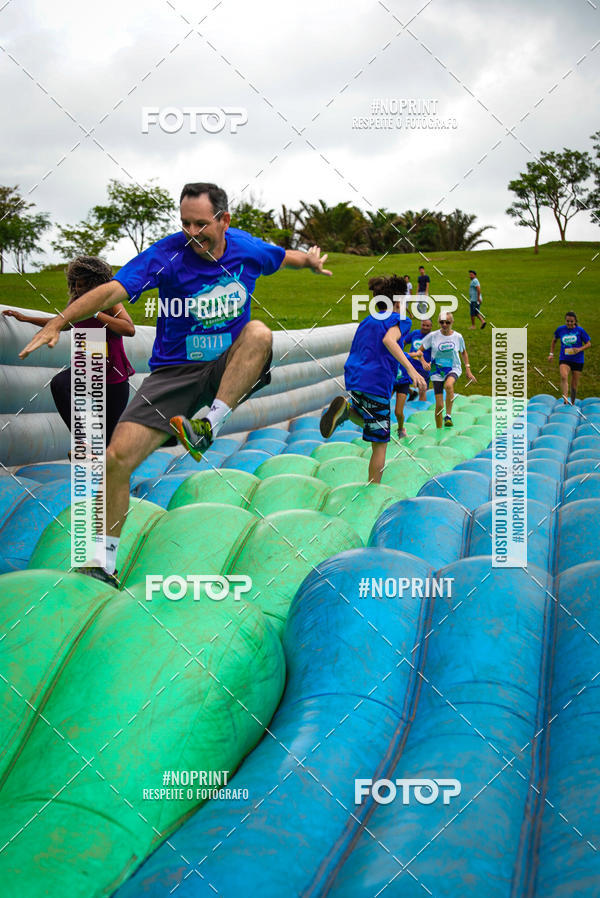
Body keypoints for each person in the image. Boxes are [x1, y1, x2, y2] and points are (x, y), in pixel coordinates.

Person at [19, 181, 332, 586]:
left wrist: (308, 261)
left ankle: (209, 425)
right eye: (185, 223)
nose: (192, 233)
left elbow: (281, 256)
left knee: (259, 333)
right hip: (173, 373)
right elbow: (112, 289)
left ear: (224, 221)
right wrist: (60, 321)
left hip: (227, 365)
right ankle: (100, 562)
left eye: (201, 224)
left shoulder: (246, 249)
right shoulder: (168, 255)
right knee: (116, 459)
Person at [3, 256, 135, 448]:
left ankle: (112, 472)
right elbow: (63, 323)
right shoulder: (76, 301)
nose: (80, 290)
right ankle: (82, 440)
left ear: (96, 283)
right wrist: (25, 318)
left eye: (85, 285)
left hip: (114, 378)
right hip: (90, 368)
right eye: (77, 285)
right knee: (59, 384)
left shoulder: (109, 302)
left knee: (108, 442)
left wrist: (96, 313)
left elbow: (129, 329)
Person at [320, 275, 426, 484]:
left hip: (355, 380)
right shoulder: (401, 320)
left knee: (373, 422)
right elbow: (389, 340)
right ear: (396, 303)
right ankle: (374, 490)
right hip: (376, 384)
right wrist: (411, 371)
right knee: (380, 443)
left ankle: (348, 411)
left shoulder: (368, 321)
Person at [416, 312, 476, 428]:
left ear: (452, 322)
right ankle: (439, 428)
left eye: (447, 322)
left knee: (449, 385)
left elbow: (463, 352)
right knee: (439, 406)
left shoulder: (457, 337)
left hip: (453, 368)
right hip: (437, 370)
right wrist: (423, 362)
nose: (444, 325)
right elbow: (419, 352)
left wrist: (468, 369)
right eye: (442, 322)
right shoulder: (433, 336)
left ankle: (448, 415)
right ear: (438, 322)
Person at [548, 311, 591, 404]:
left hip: (578, 360)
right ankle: (565, 400)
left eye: (571, 321)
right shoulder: (560, 330)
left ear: (575, 321)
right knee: (563, 376)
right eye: (567, 321)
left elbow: (588, 344)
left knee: (574, 385)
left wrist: (579, 349)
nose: (569, 323)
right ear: (565, 321)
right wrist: (551, 354)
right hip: (564, 359)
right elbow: (554, 341)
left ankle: (573, 402)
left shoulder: (580, 330)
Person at [403, 317, 433, 402]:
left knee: (422, 389)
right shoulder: (415, 333)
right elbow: (405, 341)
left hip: (423, 368)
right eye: (423, 325)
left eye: (427, 326)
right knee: (400, 381)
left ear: (431, 326)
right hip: (410, 364)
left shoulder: (433, 338)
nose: (425, 327)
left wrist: (430, 364)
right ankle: (412, 393)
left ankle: (421, 408)